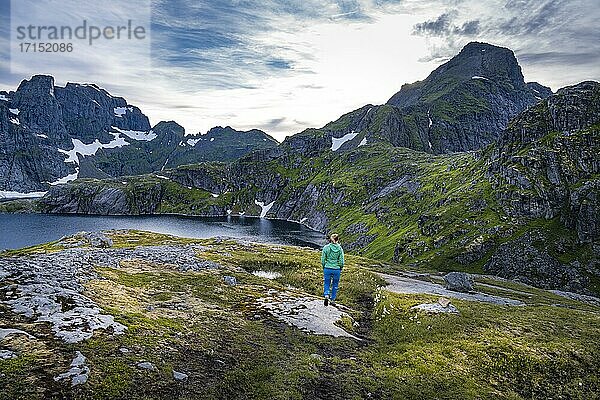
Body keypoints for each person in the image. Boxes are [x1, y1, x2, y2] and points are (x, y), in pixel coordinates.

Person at [321, 233, 344, 306]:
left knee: (327, 282)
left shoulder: (326, 248)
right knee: (335, 284)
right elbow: (341, 261)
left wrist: (324, 266)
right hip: (336, 269)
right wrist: (340, 267)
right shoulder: (340, 249)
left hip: (327, 268)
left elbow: (323, 259)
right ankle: (333, 299)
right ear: (338, 239)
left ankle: (326, 295)